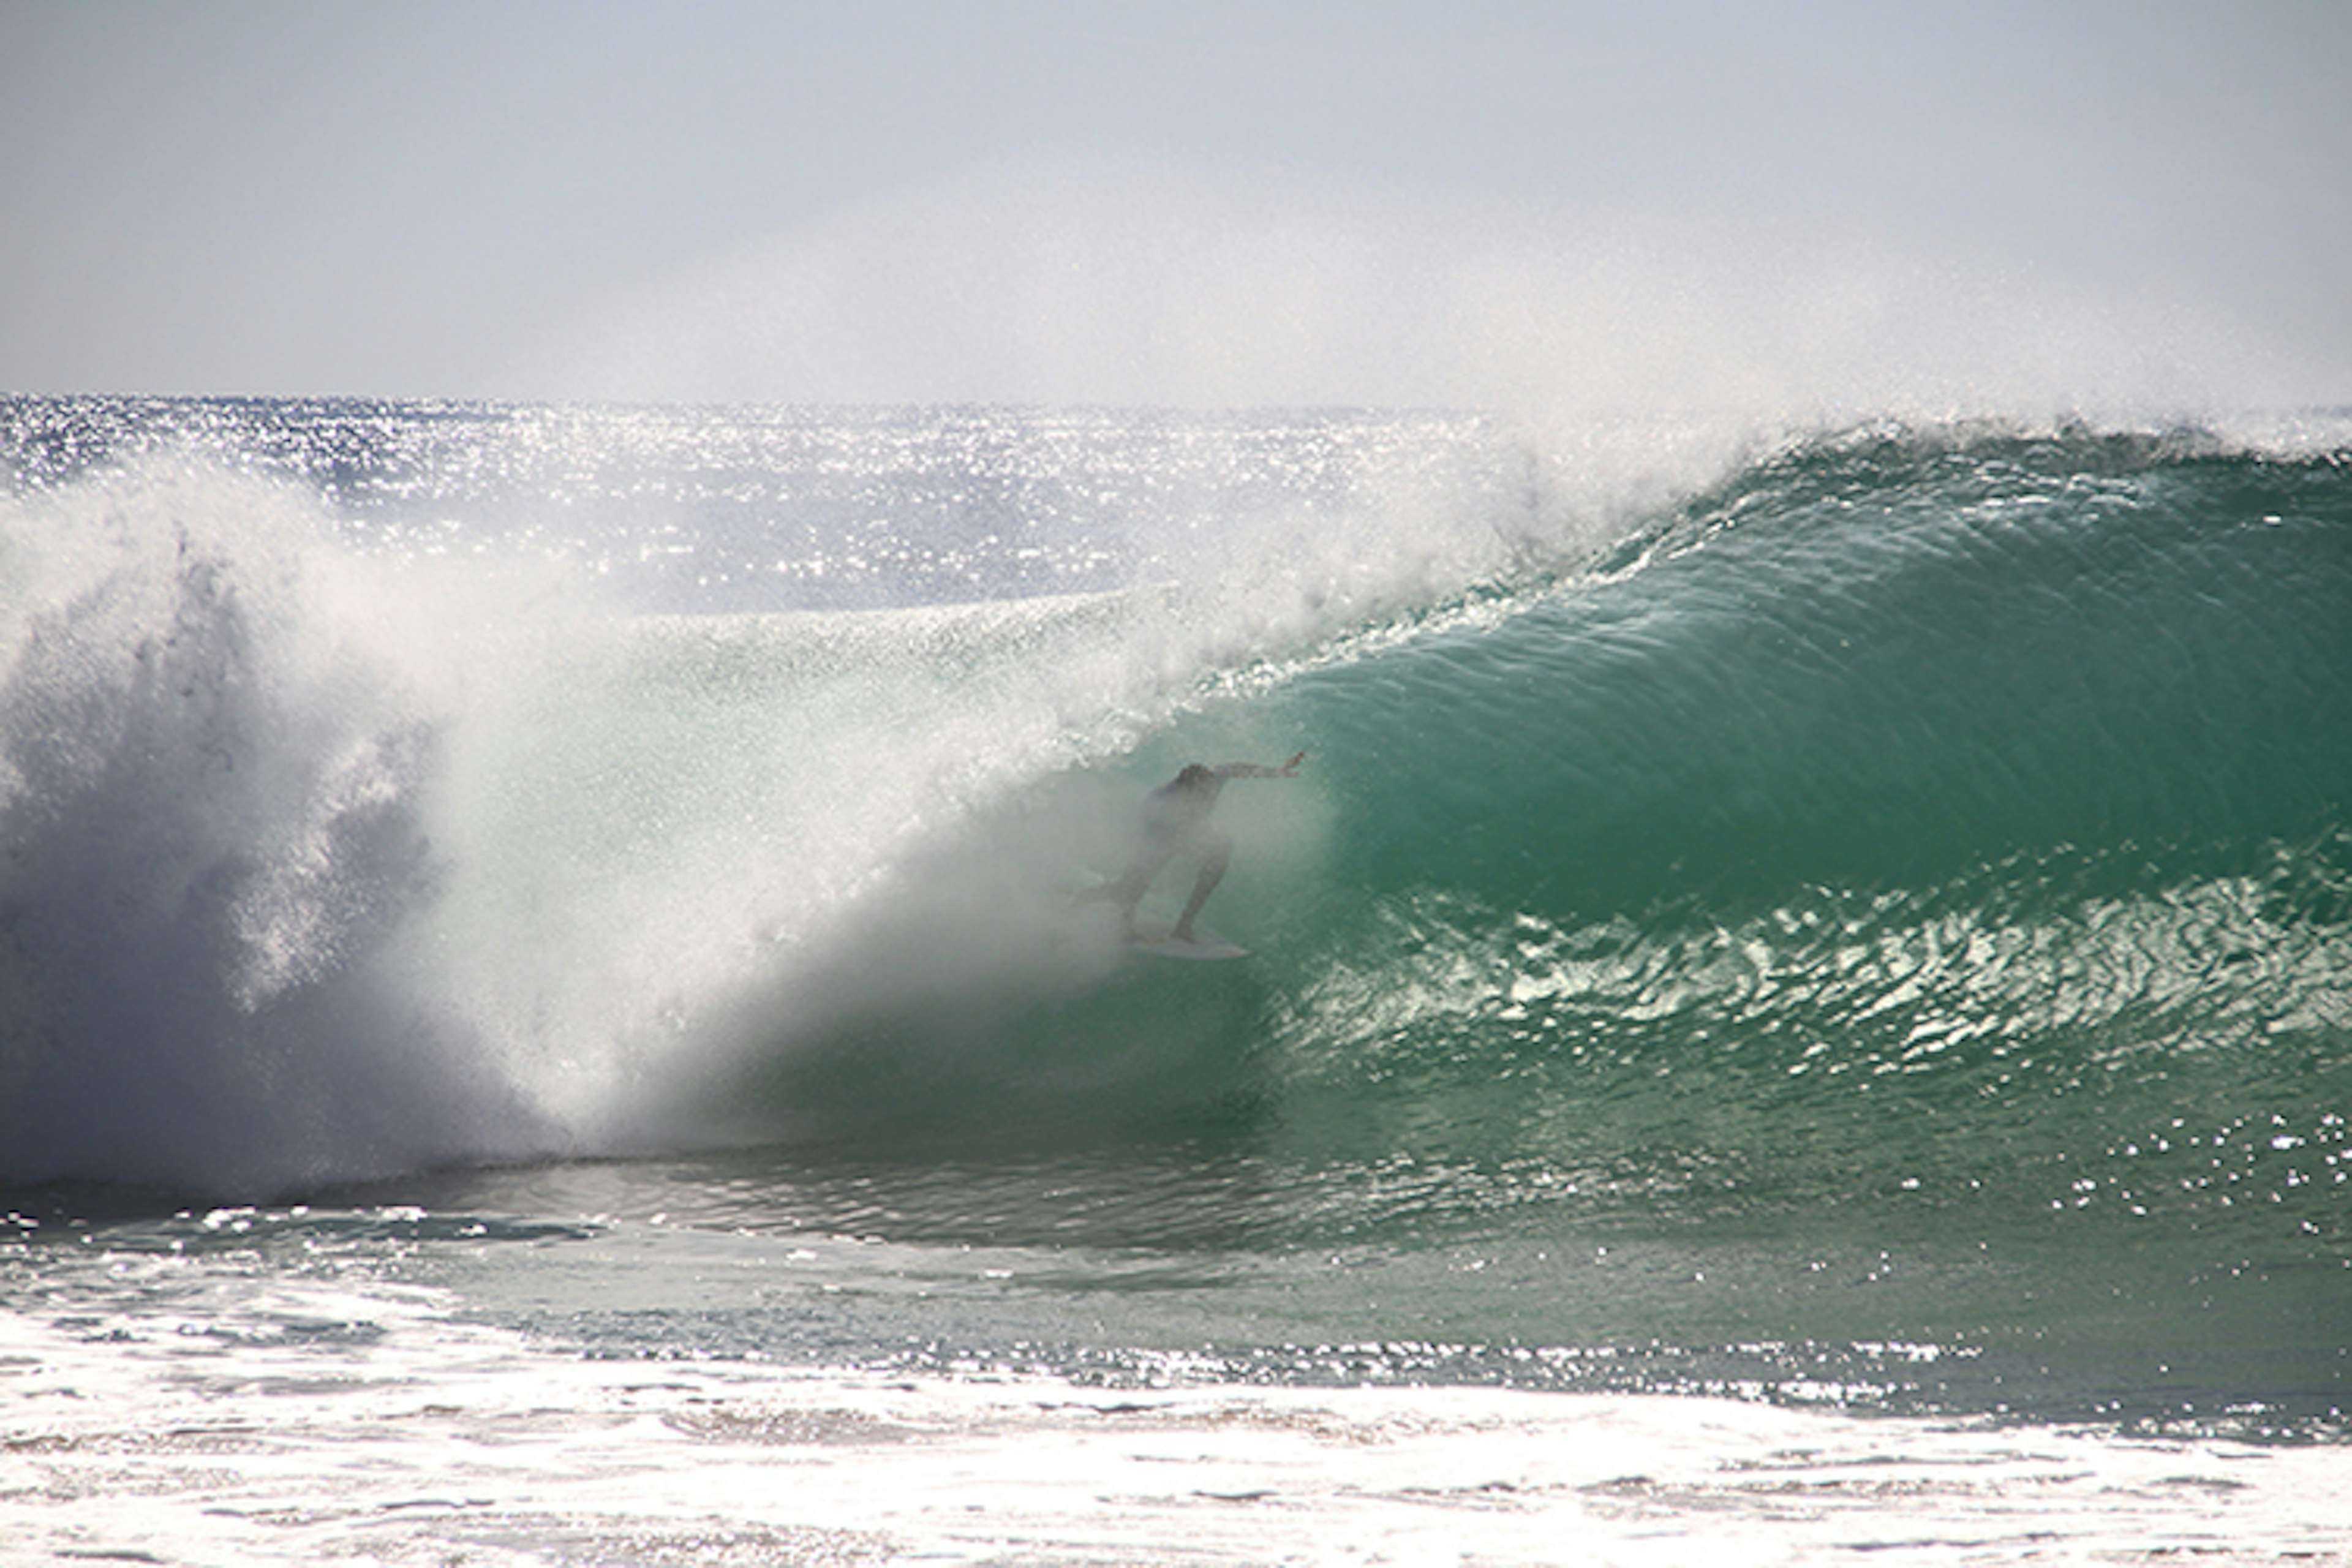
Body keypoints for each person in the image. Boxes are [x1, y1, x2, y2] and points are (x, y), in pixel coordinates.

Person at [1079, 752, 1305, 944]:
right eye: (1195, 796)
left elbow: (1236, 768)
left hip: (1188, 834)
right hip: (1160, 837)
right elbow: (1141, 859)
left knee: (1221, 852)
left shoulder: (1214, 778)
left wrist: (1277, 771)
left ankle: (1184, 926)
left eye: (1205, 793)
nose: (1204, 799)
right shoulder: (1159, 804)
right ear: (1181, 791)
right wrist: (1125, 923)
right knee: (1130, 888)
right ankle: (1090, 897)